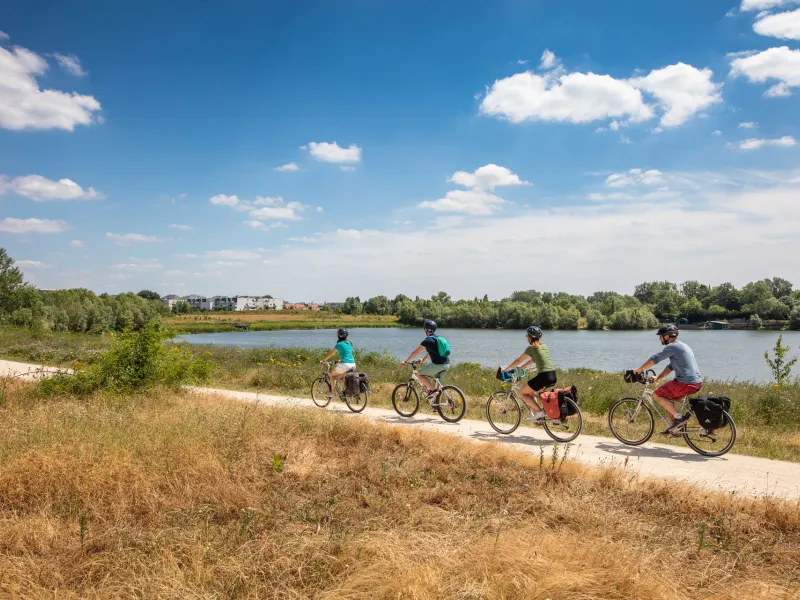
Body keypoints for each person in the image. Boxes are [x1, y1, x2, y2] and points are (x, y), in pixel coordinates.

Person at [634, 323, 703, 434]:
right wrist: (658, 377)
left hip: (685, 383)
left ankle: (679, 418)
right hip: (696, 383)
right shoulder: (683, 346)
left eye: (661, 336)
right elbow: (670, 367)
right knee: (668, 400)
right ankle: (674, 429)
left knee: (657, 394)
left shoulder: (672, 346)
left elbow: (655, 359)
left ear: (667, 336)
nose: (660, 339)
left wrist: (640, 369)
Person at [501, 325, 557, 422]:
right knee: (531, 392)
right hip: (552, 375)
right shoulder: (544, 346)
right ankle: (538, 415)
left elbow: (518, 360)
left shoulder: (531, 348)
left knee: (523, 393)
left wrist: (506, 369)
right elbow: (534, 359)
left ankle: (540, 413)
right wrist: (522, 367)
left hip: (543, 376)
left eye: (527, 335)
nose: (526, 337)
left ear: (530, 337)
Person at [401, 319, 449, 396]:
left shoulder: (427, 340)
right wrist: (423, 359)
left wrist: (406, 362)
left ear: (426, 329)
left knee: (419, 374)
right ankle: (439, 405)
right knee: (437, 387)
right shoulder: (437, 339)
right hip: (446, 364)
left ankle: (433, 391)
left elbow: (415, 352)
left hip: (438, 365)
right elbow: (432, 352)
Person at [320, 328, 356, 397]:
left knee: (332, 376)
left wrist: (323, 361)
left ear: (338, 335)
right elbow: (347, 354)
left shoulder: (339, 344)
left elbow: (331, 354)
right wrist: (340, 360)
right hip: (353, 364)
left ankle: (333, 393)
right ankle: (347, 391)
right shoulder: (349, 343)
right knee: (340, 377)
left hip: (345, 365)